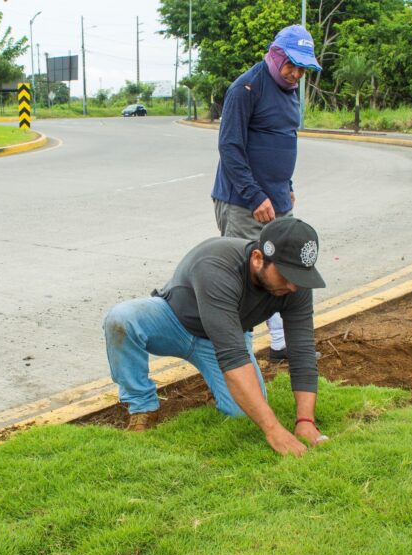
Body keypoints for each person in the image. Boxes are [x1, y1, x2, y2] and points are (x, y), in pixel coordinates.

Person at [103, 218, 327, 456]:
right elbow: (233, 356)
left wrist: (305, 420)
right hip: (174, 322)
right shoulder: (217, 265)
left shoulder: (296, 287)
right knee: (121, 319)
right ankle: (142, 406)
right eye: (285, 275)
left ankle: (216, 385)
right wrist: (274, 431)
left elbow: (301, 351)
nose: (293, 286)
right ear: (258, 258)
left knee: (243, 412)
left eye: (299, 277)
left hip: (223, 337)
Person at [211, 25, 322, 362]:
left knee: (283, 269)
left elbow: (282, 140)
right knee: (247, 275)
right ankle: (237, 355)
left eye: (303, 67)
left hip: (277, 200)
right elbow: (229, 148)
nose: (297, 73)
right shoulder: (246, 88)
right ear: (275, 54)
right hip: (244, 201)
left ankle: (279, 345)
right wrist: (255, 195)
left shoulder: (290, 90)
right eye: (292, 64)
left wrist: (285, 188)